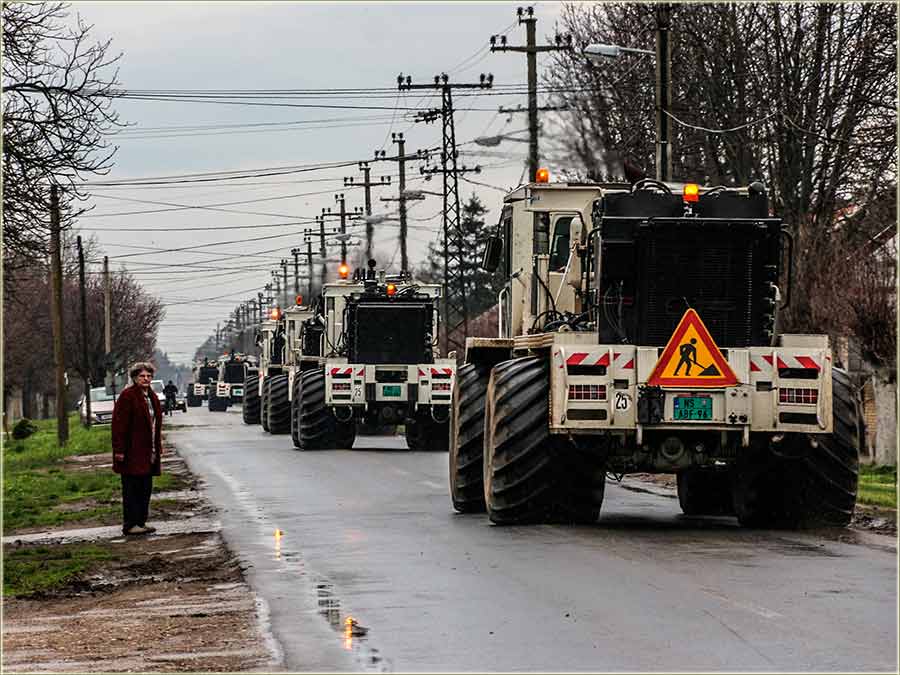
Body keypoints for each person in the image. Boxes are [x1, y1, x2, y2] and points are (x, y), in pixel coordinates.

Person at [111, 362, 163, 536]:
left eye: (149, 376)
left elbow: (155, 424)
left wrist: (157, 449)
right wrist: (119, 450)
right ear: (134, 378)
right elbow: (119, 425)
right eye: (142, 376)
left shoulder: (151, 396)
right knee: (132, 489)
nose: (146, 379)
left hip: (149, 451)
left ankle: (141, 522)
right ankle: (130, 524)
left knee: (145, 488)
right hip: (132, 451)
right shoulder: (128, 396)